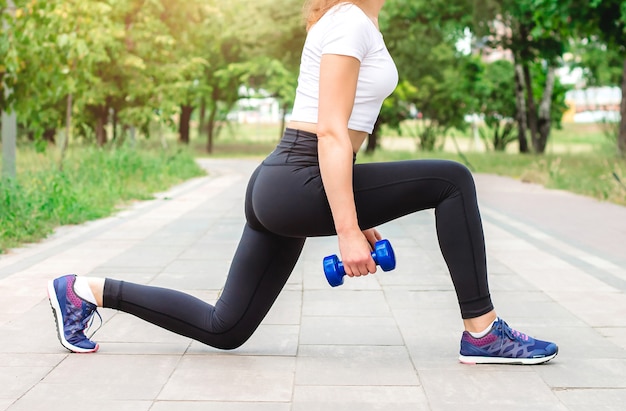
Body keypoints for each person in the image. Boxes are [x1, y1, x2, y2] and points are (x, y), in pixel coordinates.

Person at [47, 0, 558, 365]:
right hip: (297, 176)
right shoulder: (346, 22)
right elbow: (332, 133)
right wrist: (347, 228)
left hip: (285, 181)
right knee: (451, 180)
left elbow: (335, 135)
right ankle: (483, 332)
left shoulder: (356, 22)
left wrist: (357, 213)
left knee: (225, 328)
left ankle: (84, 291)